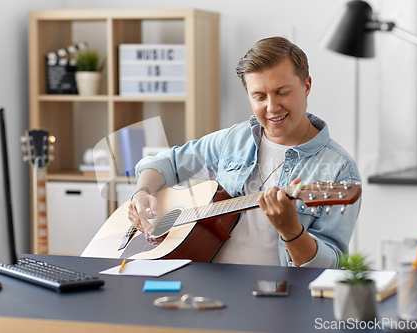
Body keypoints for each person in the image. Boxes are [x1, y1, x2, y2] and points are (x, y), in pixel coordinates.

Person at [127, 36, 361, 268]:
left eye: (282, 92)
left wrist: (292, 231)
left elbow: (332, 265)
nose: (271, 107)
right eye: (259, 96)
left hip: (282, 298)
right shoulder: (233, 140)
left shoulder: (340, 170)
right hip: (209, 288)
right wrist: (142, 193)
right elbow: (166, 161)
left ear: (307, 86)